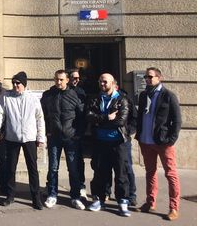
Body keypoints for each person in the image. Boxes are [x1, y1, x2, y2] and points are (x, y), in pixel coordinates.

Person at [0, 71, 45, 210]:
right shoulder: (6, 97)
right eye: (14, 83)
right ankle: (10, 196)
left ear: (24, 84)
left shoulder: (33, 98)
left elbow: (40, 119)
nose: (15, 85)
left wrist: (41, 137)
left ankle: (36, 198)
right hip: (12, 137)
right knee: (11, 168)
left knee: (32, 168)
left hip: (29, 138)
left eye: (18, 83)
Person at [136, 67, 182, 221]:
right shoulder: (144, 95)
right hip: (146, 141)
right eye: (145, 77)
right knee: (150, 173)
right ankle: (150, 202)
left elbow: (177, 121)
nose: (147, 80)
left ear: (159, 78)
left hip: (162, 142)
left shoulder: (168, 96)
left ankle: (173, 208)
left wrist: (171, 139)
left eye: (150, 77)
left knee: (170, 174)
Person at [85, 73, 131, 217]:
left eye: (105, 82)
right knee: (100, 172)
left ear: (112, 83)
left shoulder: (122, 99)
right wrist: (106, 117)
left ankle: (122, 201)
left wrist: (100, 121)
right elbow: (89, 116)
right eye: (100, 81)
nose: (102, 84)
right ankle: (99, 198)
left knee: (121, 173)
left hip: (117, 143)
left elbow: (120, 121)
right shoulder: (95, 99)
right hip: (100, 142)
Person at [41, 70, 85, 210]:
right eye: (56, 79)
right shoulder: (48, 95)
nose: (58, 82)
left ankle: (75, 196)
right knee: (53, 168)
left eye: (61, 80)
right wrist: (46, 132)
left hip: (71, 138)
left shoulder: (74, 95)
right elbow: (42, 115)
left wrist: (79, 133)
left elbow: (81, 116)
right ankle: (52, 194)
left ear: (67, 80)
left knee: (73, 169)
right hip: (54, 137)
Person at [68, 68, 88, 199]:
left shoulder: (81, 93)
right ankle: (50, 187)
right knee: (55, 164)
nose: (77, 80)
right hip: (62, 132)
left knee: (78, 162)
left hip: (76, 133)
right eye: (74, 78)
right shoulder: (58, 91)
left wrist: (81, 131)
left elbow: (83, 114)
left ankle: (81, 187)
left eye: (78, 78)